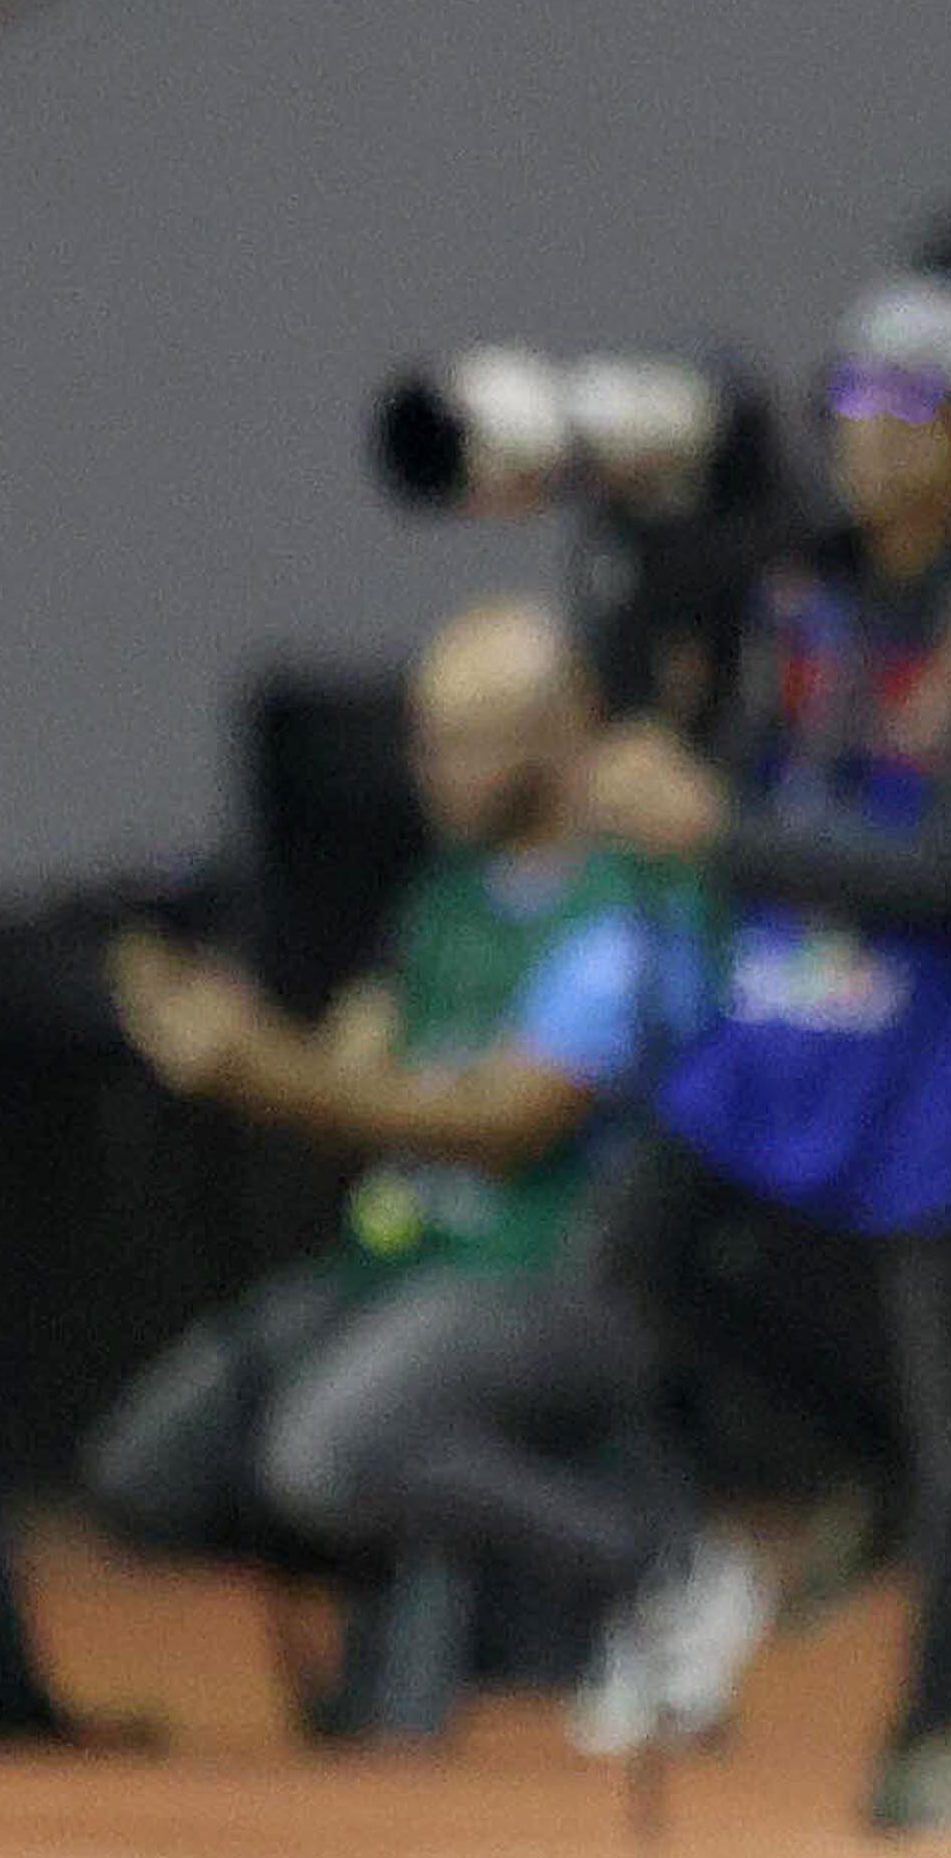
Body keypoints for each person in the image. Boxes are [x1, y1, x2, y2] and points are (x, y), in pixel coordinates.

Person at [570, 271, 951, 1838]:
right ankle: (848, 1453)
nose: (868, 441)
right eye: (850, 407)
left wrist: (721, 831)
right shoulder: (800, 601)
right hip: (781, 1004)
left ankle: (931, 1731)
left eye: (909, 410)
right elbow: (696, 704)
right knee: (636, 1256)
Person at [90, 597, 746, 1749]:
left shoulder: (632, 912)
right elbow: (355, 1076)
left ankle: (659, 1568)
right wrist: (241, 1047)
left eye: (464, 737)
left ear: (559, 736)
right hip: (399, 1267)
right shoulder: (440, 903)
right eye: (426, 736)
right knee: (149, 1472)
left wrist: (280, 1077)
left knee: (326, 1456)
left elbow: (506, 1122)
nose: (428, 768)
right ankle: (417, 1589)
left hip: (557, 1274)